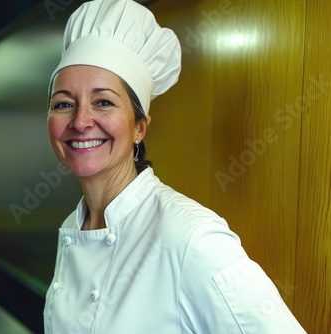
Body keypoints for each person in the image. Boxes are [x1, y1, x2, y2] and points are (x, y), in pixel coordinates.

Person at [43, 0, 306, 333]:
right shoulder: (74, 226)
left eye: (104, 102)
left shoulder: (191, 237)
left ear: (140, 126)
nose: (81, 121)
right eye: (63, 104)